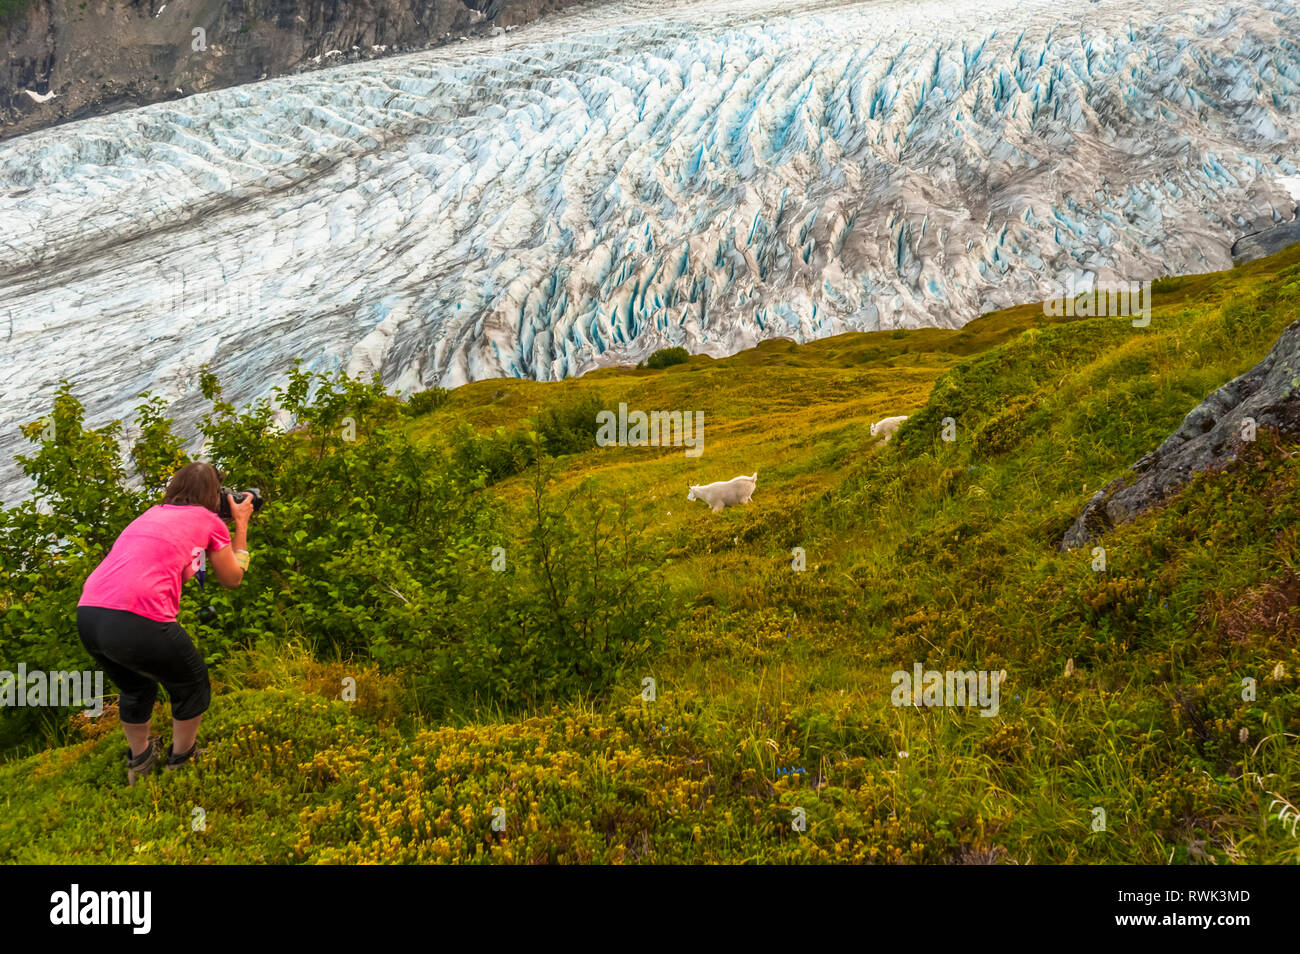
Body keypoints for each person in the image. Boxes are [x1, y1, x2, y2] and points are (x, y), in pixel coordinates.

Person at [77, 462, 254, 786]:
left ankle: (140, 762)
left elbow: (182, 569)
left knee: (136, 686)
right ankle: (182, 762)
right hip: (137, 617)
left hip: (89, 614)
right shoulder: (210, 521)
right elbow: (232, 578)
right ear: (214, 496)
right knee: (193, 683)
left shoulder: (150, 514)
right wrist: (239, 524)